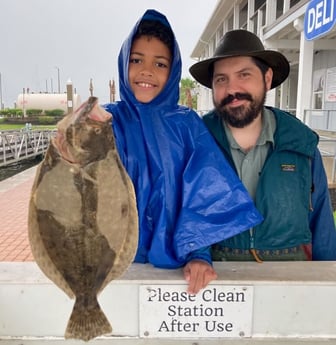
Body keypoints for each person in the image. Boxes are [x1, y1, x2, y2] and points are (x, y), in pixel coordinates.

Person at [103, 11, 263, 292]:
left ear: (173, 70)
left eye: (160, 63)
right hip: (113, 265)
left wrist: (199, 254)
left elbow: (203, 191)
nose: (147, 71)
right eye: (136, 59)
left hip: (174, 268)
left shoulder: (187, 124)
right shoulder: (107, 122)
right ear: (123, 62)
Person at [189, 29, 336, 261]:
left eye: (244, 75)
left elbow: (323, 228)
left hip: (291, 282)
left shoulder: (301, 145)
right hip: (219, 285)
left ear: (266, 79)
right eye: (221, 79)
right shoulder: (194, 143)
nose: (232, 89)